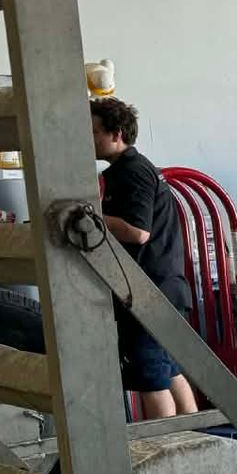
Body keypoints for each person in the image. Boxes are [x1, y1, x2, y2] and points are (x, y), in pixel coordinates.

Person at [90, 97, 197, 417]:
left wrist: (89, 217)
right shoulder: (130, 169)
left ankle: (166, 445)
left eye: (94, 131)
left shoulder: (132, 172)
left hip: (149, 291)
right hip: (162, 287)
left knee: (151, 377)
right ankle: (196, 438)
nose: (88, 139)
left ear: (116, 133)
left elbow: (138, 232)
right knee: (169, 369)